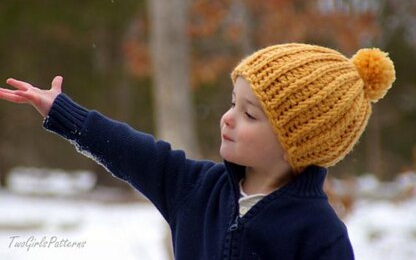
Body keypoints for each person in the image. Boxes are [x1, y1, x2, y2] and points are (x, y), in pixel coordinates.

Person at [0, 43, 395, 259]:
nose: (227, 118)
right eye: (232, 103)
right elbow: (132, 152)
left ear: (297, 145)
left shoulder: (318, 234)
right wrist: (63, 111)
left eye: (249, 114)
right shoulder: (196, 190)